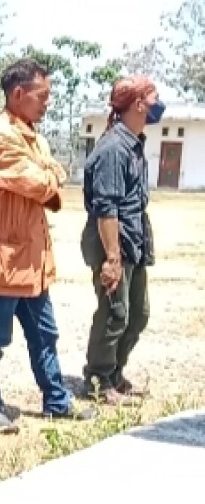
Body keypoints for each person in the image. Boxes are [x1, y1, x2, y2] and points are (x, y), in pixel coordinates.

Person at [0, 59, 97, 433]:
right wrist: (49, 177)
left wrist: (50, 176)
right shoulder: (0, 136)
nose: (47, 103)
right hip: (4, 257)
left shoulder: (32, 135)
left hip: (33, 258)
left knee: (45, 333)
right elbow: (40, 183)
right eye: (43, 96)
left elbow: (54, 173)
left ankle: (56, 399)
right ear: (18, 93)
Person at [80, 76, 161, 405]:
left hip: (132, 239)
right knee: (115, 313)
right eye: (154, 97)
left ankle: (114, 372)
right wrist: (112, 259)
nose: (159, 105)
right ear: (139, 104)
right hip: (112, 241)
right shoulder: (114, 147)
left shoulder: (133, 143)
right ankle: (98, 379)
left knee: (137, 314)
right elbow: (106, 208)